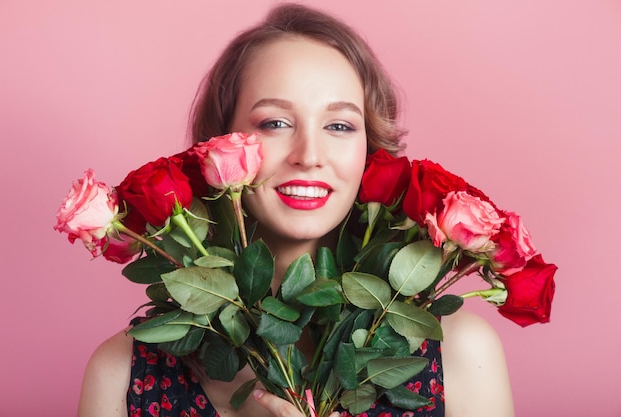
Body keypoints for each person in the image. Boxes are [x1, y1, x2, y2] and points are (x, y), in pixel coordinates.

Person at [77, 4, 514, 417]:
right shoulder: (120, 373)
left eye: (339, 126)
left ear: (369, 150)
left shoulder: (460, 354)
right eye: (275, 123)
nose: (309, 155)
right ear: (217, 144)